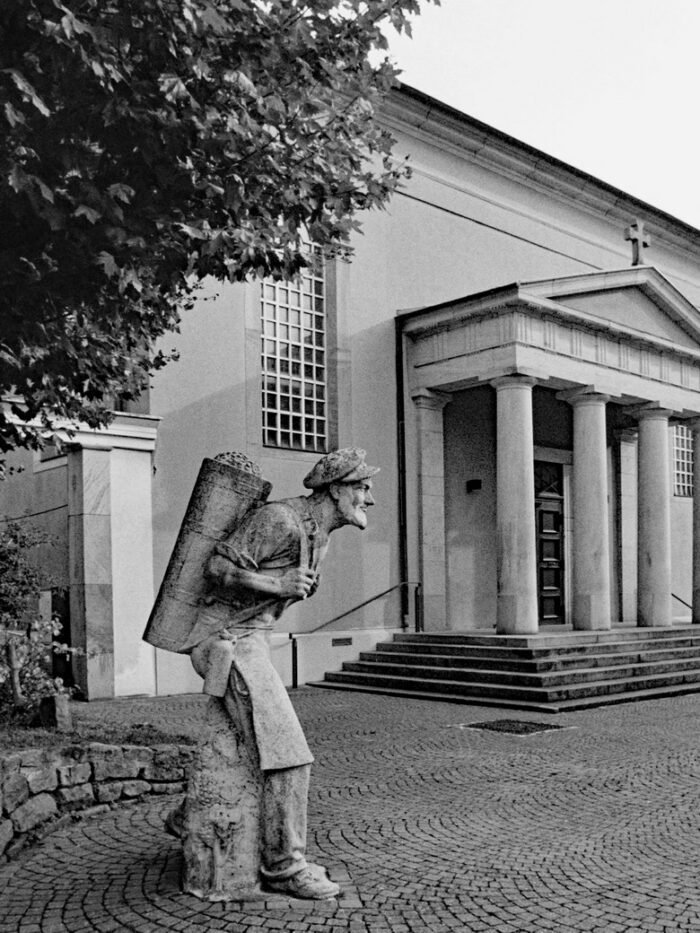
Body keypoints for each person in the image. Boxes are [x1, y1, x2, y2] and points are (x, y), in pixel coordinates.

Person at [178, 448, 378, 900]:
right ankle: (284, 867)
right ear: (336, 489)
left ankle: (189, 815)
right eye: (362, 488)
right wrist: (277, 584)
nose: (369, 498)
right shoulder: (281, 520)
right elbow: (217, 568)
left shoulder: (318, 534)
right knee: (288, 755)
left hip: (253, 641)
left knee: (241, 751)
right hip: (225, 640)